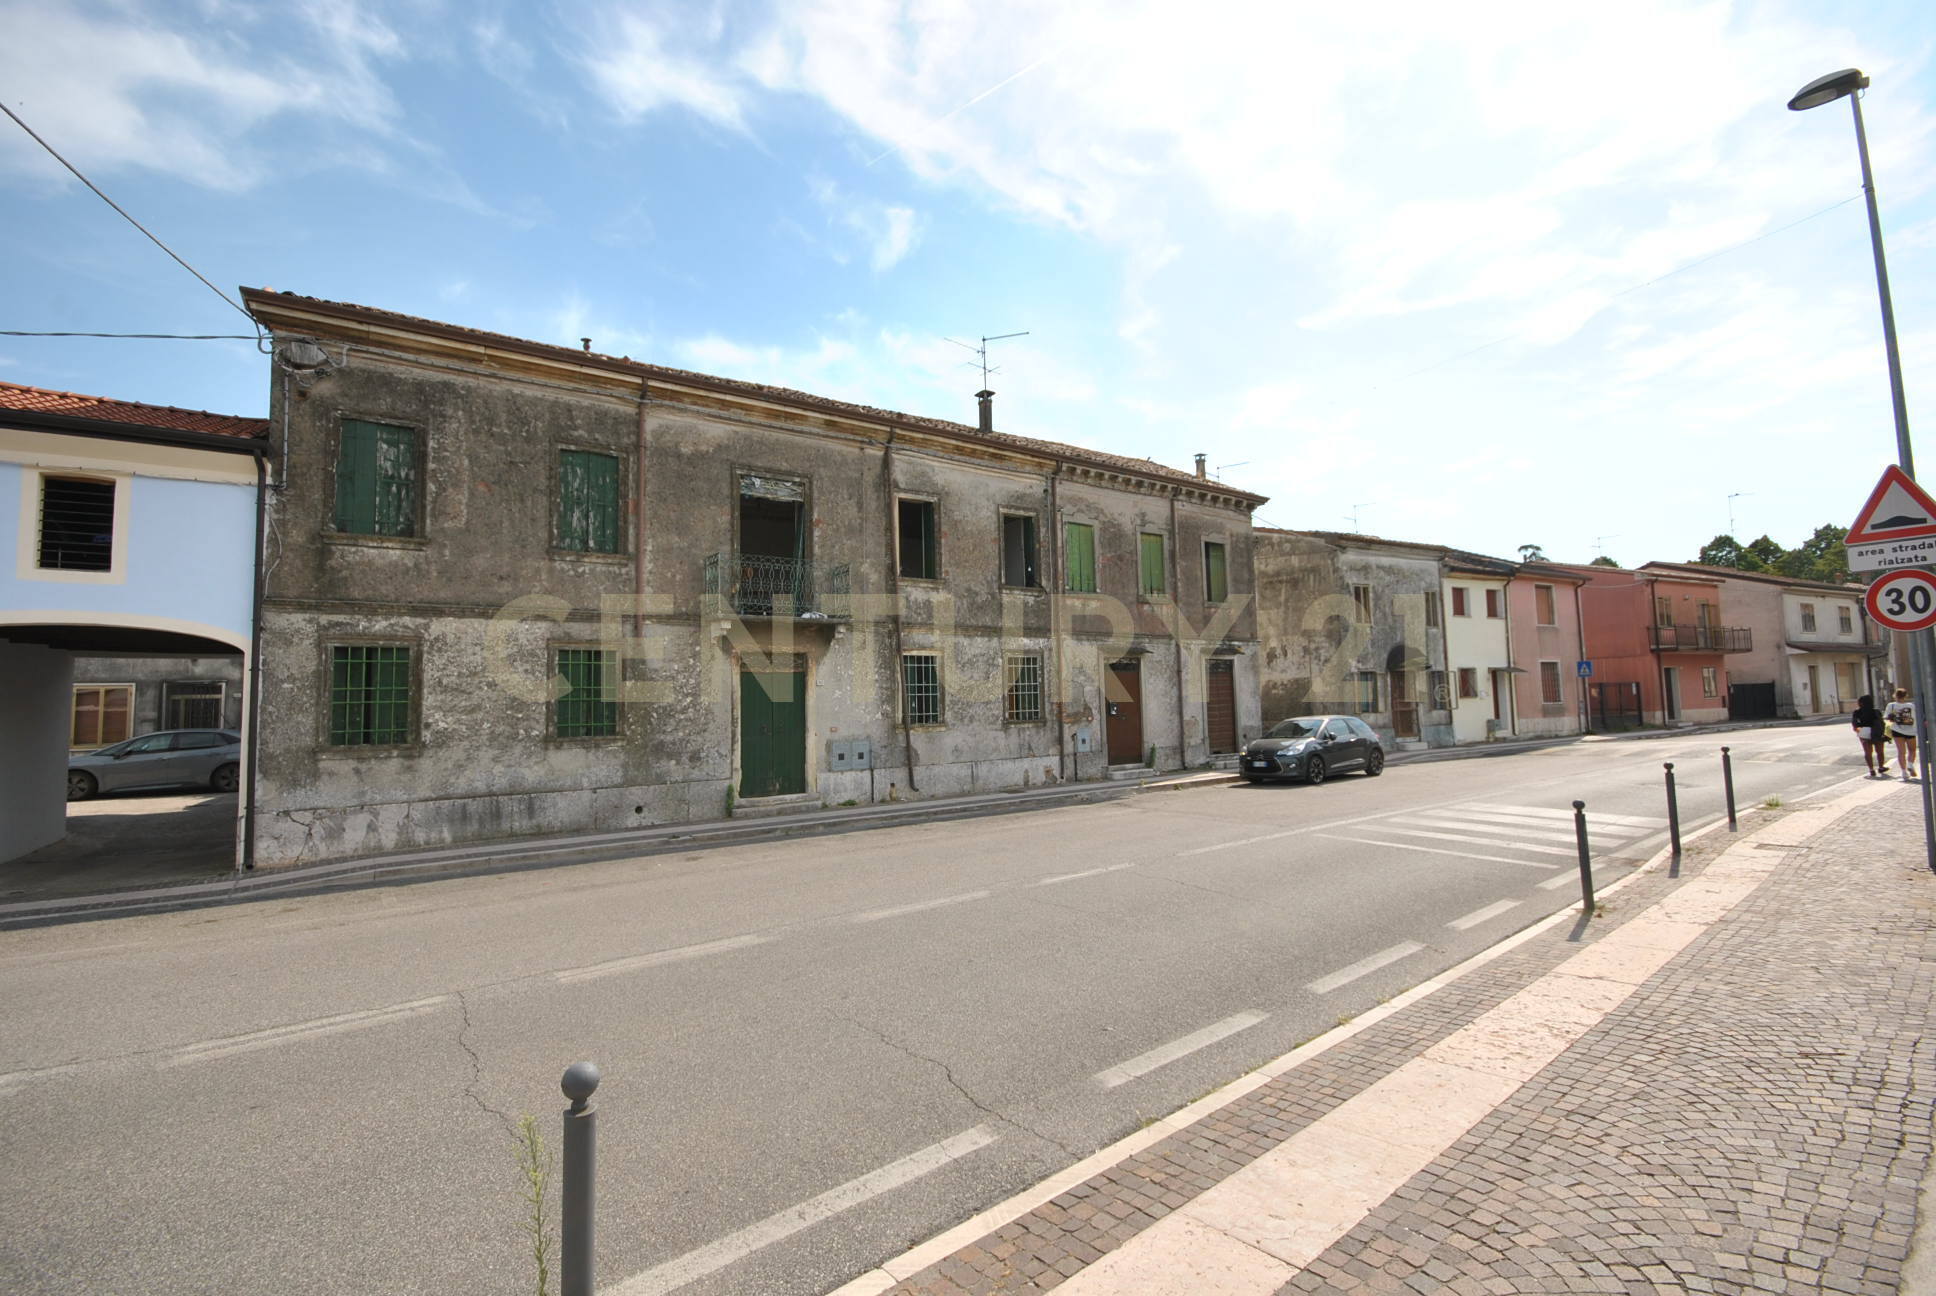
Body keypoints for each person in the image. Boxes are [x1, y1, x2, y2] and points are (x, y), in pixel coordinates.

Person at [1885, 687, 1919, 781]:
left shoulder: (1891, 705)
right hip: (1910, 731)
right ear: (1906, 696)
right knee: (1912, 750)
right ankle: (1910, 764)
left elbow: (1886, 718)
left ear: (1895, 695)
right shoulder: (1911, 706)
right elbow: (1916, 717)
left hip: (1897, 731)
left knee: (1901, 752)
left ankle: (1904, 772)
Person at [1852, 694, 1890, 776]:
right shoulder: (1876, 711)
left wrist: (1857, 730)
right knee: (1880, 751)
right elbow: (1881, 723)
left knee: (1868, 752)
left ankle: (1871, 769)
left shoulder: (1857, 712)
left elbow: (1855, 723)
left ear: (1861, 703)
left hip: (1864, 732)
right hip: (1876, 732)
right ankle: (1881, 767)